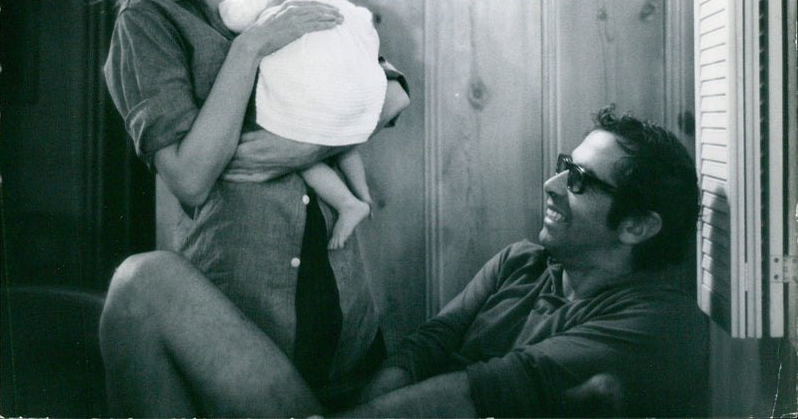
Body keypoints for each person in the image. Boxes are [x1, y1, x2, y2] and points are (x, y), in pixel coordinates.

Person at [99, 106, 709, 417]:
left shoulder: (655, 324)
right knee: (143, 284)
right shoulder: (523, 264)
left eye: (578, 181)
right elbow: (428, 345)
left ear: (637, 225)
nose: (551, 183)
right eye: (563, 164)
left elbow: (472, 394)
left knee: (144, 288)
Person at [93, 0, 410, 413]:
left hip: (347, 306)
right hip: (243, 309)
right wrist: (251, 47)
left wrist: (303, 147)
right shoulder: (150, 19)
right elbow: (189, 176)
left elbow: (392, 93)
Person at [218, 0, 387, 249]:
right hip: (358, 105)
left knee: (303, 154)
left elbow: (233, 17)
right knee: (344, 140)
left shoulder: (276, 2)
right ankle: (363, 194)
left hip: (308, 110)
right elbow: (370, 46)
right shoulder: (348, 11)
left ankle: (349, 203)